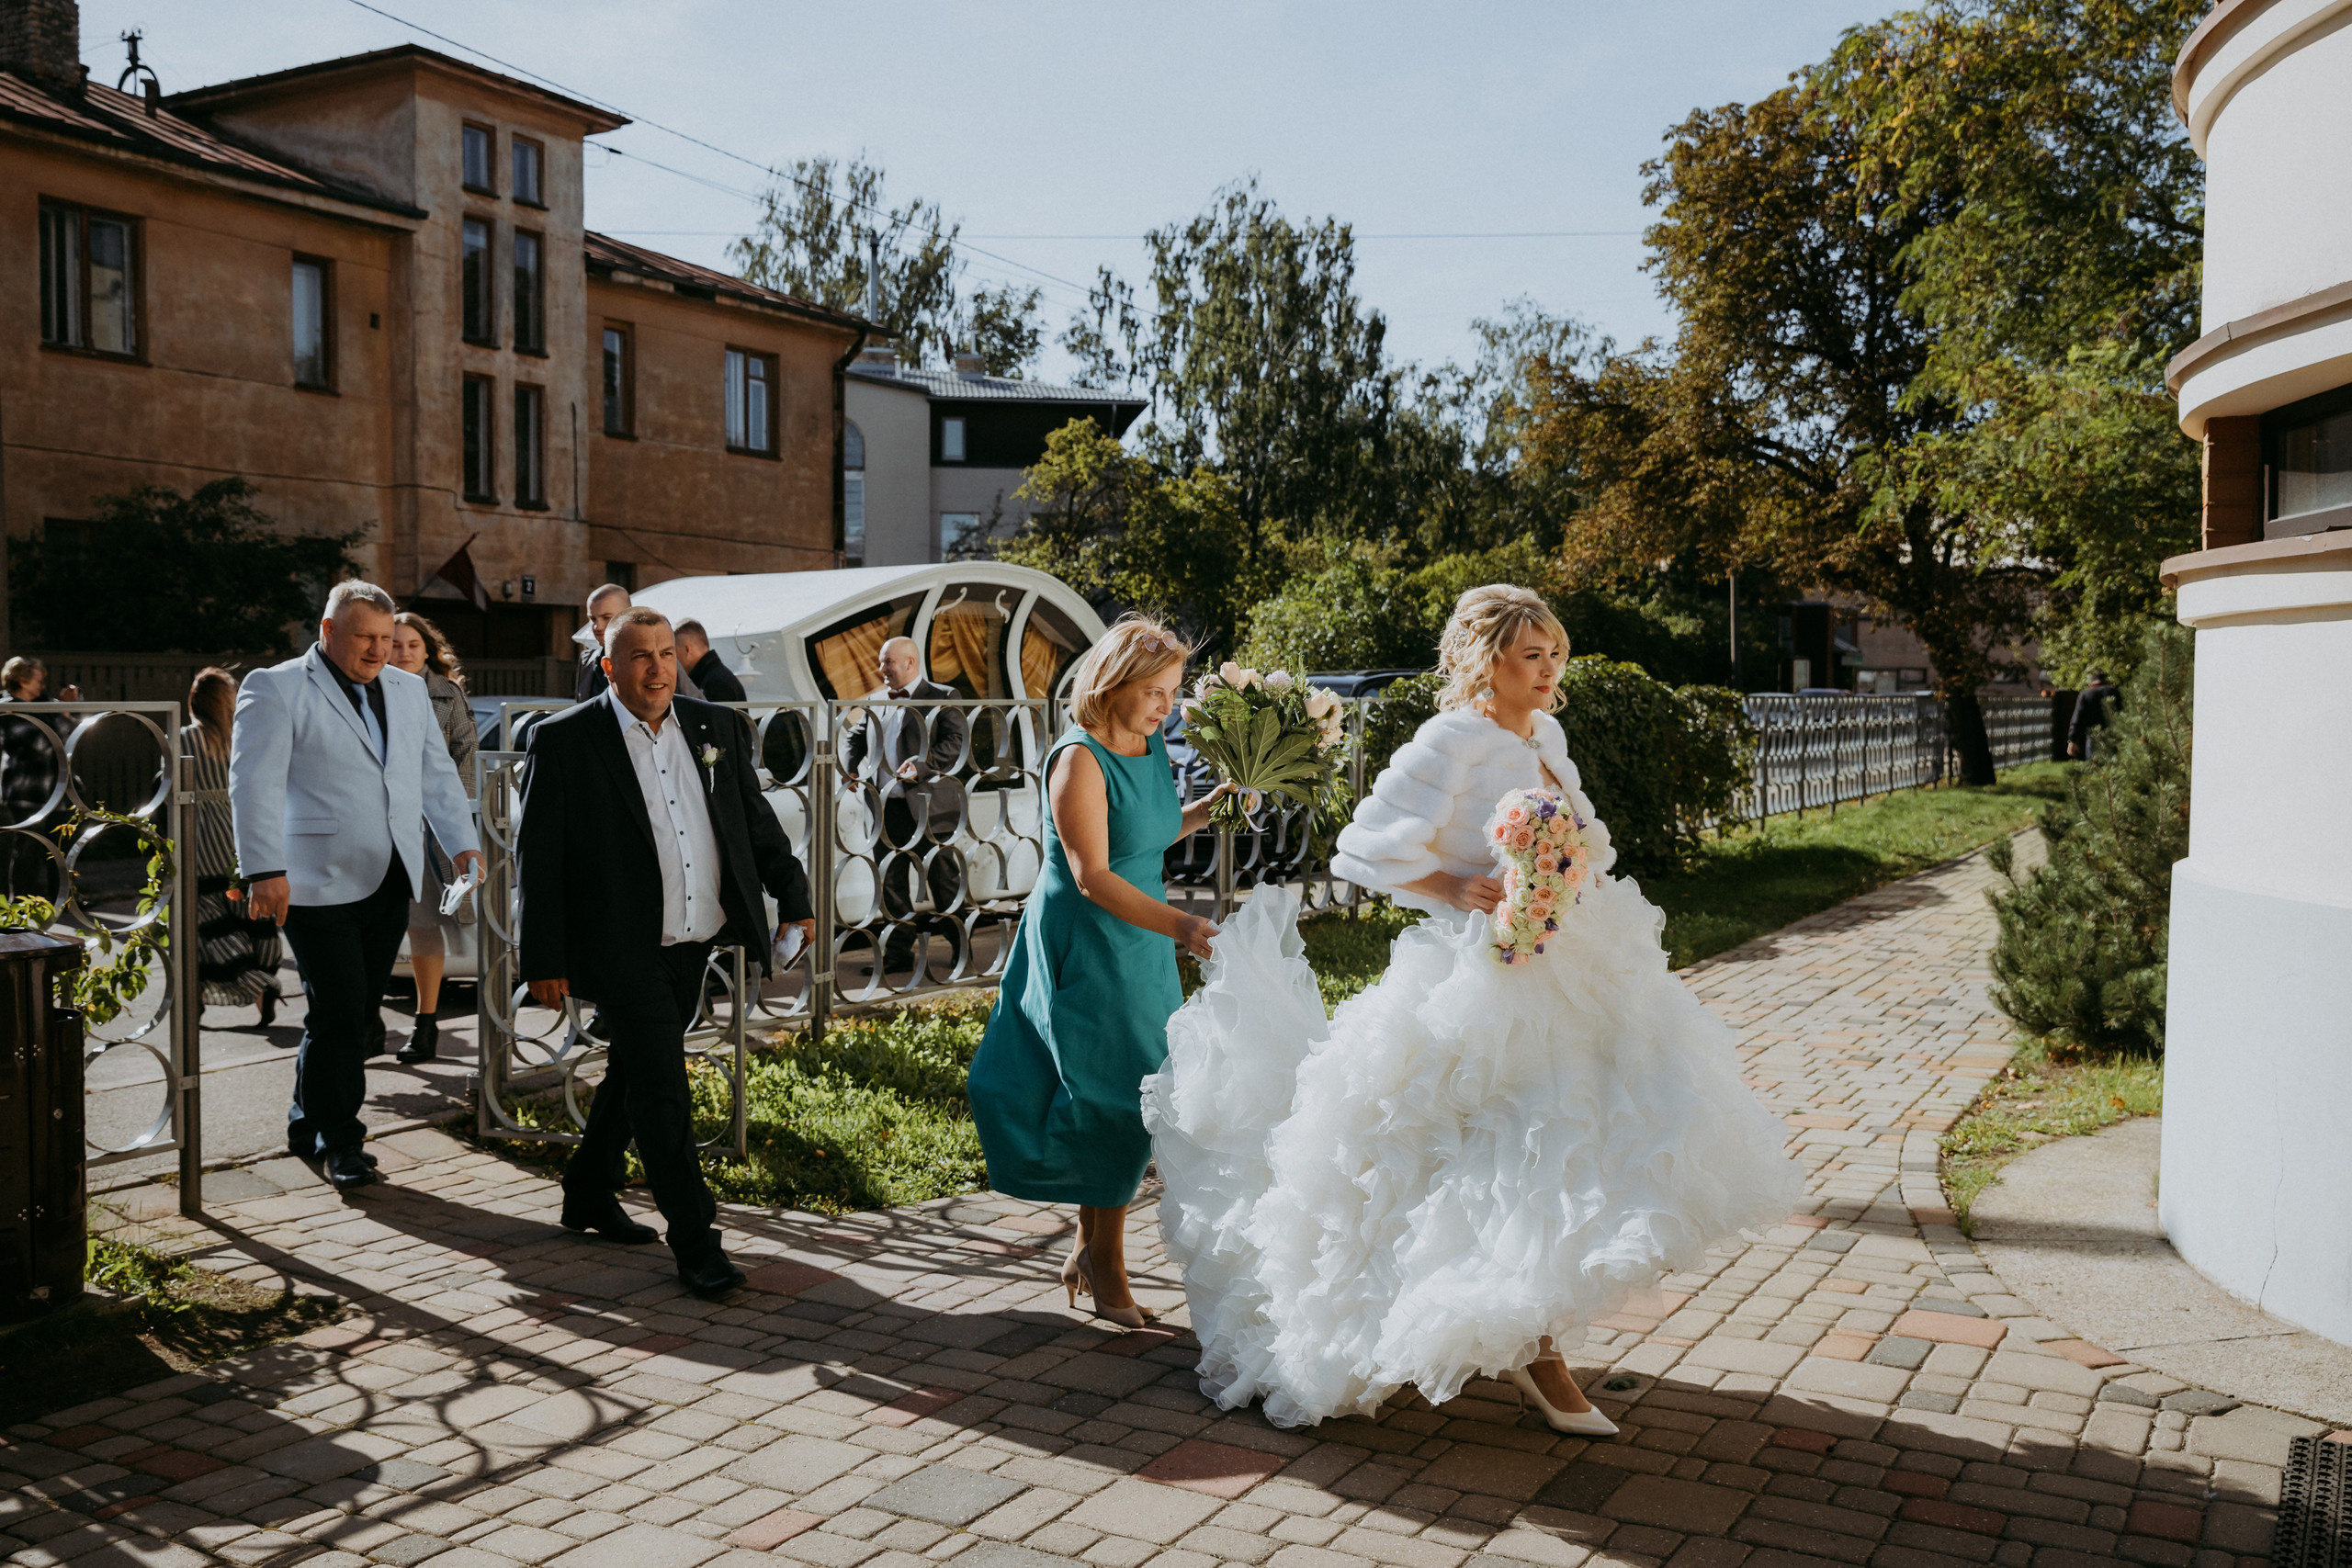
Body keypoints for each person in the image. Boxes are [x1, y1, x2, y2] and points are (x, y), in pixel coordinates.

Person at [1141, 584, 1804, 1430]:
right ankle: (1535, 1351)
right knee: (1507, 1151)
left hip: (1575, 964)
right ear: (1487, 661)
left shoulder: (1550, 735)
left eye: (1556, 652)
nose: (1550, 668)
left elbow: (1586, 838)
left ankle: (1525, 1329)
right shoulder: (1451, 736)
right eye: (1534, 654)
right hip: (1478, 978)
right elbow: (1365, 845)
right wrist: (1454, 883)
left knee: (1583, 1146)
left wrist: (1569, 875)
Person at [518, 607, 815, 1295]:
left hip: (696, 936)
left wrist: (793, 897)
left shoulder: (714, 727)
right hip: (621, 943)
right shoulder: (564, 740)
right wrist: (543, 957)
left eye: (664, 654)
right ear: (608, 666)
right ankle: (696, 1241)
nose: (657, 668)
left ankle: (588, 1190)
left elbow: (752, 820)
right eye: (640, 656)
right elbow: (541, 857)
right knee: (662, 1089)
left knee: (636, 1067)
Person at [966, 615, 1233, 1329]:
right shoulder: (1077, 757)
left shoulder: (1146, 747)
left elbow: (1142, 831)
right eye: (1153, 691)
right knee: (1117, 1096)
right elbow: (1091, 873)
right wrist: (1181, 924)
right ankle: (1105, 1261)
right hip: (1090, 939)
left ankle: (1090, 1247)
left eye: (1172, 692)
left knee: (1134, 1091)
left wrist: (1204, 810)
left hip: (1140, 941)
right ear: (1112, 681)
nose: (1165, 708)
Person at [230, 581, 480, 1190]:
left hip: (390, 872)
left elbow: (434, 771)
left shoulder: (407, 687)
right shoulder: (277, 686)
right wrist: (263, 869)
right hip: (311, 880)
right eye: (364, 636)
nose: (377, 650)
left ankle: (304, 1119)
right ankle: (341, 1140)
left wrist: (461, 840)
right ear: (327, 631)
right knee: (341, 1010)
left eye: (385, 638)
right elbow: (253, 782)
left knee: (357, 1013)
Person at [843, 637, 969, 976]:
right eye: (882, 662)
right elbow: (855, 736)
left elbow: (955, 744)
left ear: (911, 663)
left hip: (929, 806)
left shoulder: (944, 697)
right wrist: (851, 765)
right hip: (886, 808)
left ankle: (962, 951)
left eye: (888, 662)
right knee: (891, 884)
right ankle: (898, 953)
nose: (881, 669)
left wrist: (922, 767)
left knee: (944, 881)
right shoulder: (874, 700)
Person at [388, 612, 481, 1065]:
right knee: (377, 923)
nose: (403, 652)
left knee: (424, 925)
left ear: (428, 650)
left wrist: (454, 830)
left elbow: (465, 763)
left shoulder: (446, 694)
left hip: (430, 830)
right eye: (395, 644)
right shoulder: (365, 691)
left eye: (412, 644)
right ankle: (366, 1021)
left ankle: (425, 1024)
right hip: (376, 826)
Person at [182, 668, 284, 1026]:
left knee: (207, 926)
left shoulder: (183, 741)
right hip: (243, 844)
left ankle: (257, 985)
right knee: (251, 920)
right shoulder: (244, 737)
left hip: (200, 847)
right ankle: (251, 991)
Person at [0, 657, 74, 896]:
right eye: (39, 680)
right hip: (27, 791)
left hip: (55, 789)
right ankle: (22, 907)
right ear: (22, 680)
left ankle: (60, 900)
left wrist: (65, 710)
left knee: (58, 850)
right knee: (28, 850)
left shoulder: (43, 705)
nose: (43, 686)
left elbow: (73, 733)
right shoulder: (8, 709)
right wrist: (62, 714)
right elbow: (41, 744)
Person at [575, 583, 702, 704]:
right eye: (592, 619)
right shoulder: (587, 661)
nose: (597, 626)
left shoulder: (660, 658)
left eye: (606, 617)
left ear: (627, 615)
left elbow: (697, 704)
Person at [674, 619, 747, 705]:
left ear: (687, 649)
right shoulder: (714, 678)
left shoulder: (715, 685)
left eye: (672, 652)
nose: (671, 659)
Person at [2068, 670, 2122, 761]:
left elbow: (2077, 718)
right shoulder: (2114, 692)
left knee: (2094, 767)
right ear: (2104, 680)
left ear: (2091, 682)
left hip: (2093, 737)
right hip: (2113, 736)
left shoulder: (2085, 694)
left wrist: (2072, 740)